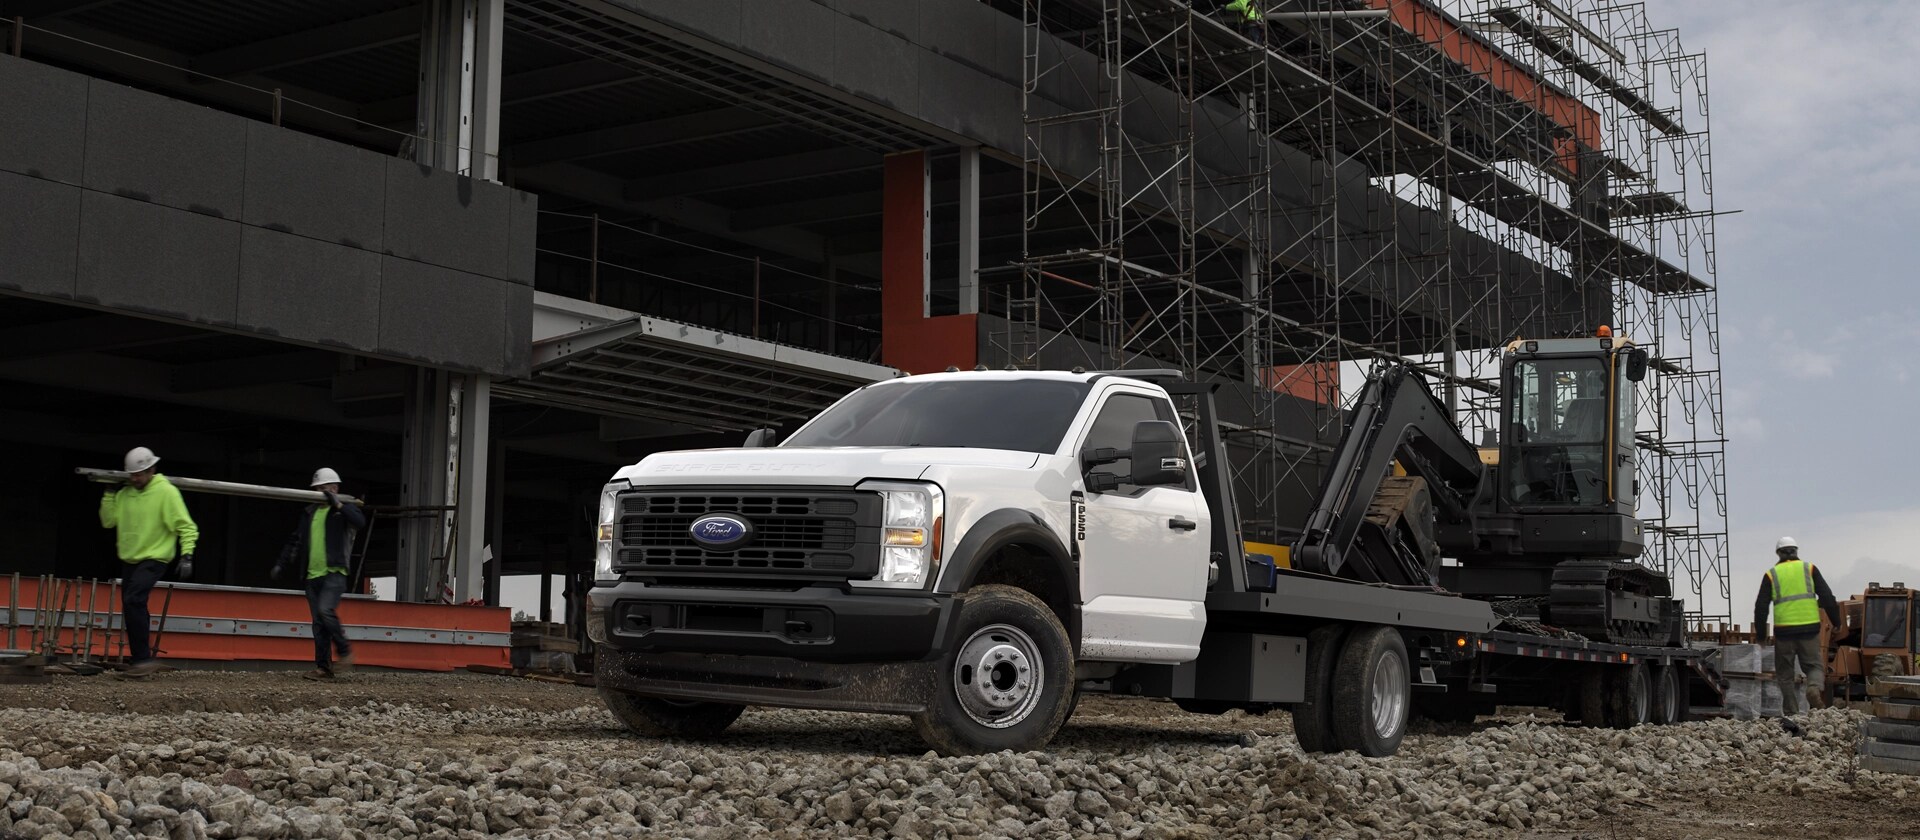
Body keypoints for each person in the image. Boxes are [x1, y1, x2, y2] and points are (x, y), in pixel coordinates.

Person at [98, 446, 198, 678]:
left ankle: (142, 659)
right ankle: (140, 659)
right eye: (132, 475)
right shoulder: (125, 494)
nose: (135, 479)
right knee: (133, 606)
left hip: (155, 557)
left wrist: (187, 555)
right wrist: (109, 494)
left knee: (134, 600)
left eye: (139, 474)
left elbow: (187, 526)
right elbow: (108, 521)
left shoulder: (166, 492)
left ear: (152, 469)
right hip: (130, 559)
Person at [275, 468, 366, 680]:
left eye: (324, 488)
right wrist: (281, 563)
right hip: (312, 576)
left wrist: (339, 504)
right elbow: (295, 540)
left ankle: (344, 651)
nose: (320, 492)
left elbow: (360, 522)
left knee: (326, 611)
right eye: (317, 489)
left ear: (334, 488)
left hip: (335, 573)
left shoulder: (342, 511)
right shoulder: (309, 513)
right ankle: (324, 668)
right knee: (318, 623)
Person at [1753, 536, 1841, 717]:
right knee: (1814, 667)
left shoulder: (1772, 574)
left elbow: (1761, 607)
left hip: (1784, 632)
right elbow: (1827, 597)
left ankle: (1792, 712)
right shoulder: (1809, 569)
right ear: (1796, 550)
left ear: (1778, 553)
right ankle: (1814, 689)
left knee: (1784, 674)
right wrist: (1837, 622)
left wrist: (1761, 636)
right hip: (1809, 629)